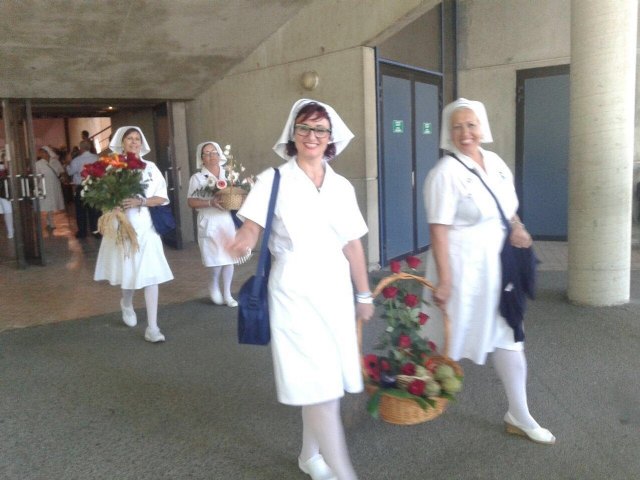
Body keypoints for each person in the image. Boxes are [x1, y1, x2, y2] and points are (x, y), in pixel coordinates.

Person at [227, 99, 374, 480]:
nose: (312, 136)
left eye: (320, 130)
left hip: (335, 292)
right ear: (293, 135)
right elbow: (252, 226)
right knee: (320, 387)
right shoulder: (273, 179)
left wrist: (363, 294)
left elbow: (353, 244)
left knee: (327, 383)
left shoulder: (341, 186)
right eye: (304, 128)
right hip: (293, 292)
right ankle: (346, 474)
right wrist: (243, 236)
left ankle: (310, 456)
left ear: (331, 138)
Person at [421, 98, 555, 445]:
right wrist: (445, 280)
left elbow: (508, 207)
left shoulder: (494, 162)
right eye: (458, 126)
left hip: (499, 265)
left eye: (471, 125)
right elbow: (438, 229)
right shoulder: (444, 174)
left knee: (510, 334)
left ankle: (519, 414)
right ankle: (414, 395)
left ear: (482, 127)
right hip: (462, 269)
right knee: (448, 335)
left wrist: (517, 225)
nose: (465, 132)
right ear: (449, 133)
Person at [93, 126, 174, 343]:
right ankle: (126, 303)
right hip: (122, 225)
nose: (134, 142)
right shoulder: (112, 168)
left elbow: (162, 198)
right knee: (128, 272)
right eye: (130, 138)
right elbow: (101, 196)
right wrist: (112, 205)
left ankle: (153, 327)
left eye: (137, 138)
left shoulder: (151, 167)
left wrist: (141, 201)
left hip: (146, 226)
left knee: (151, 274)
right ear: (122, 141)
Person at [187, 141, 239, 307]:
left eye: (213, 152)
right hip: (209, 221)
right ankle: (214, 283)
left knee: (229, 258)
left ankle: (228, 293)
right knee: (216, 260)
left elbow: (238, 193)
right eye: (206, 153)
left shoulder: (229, 173)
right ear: (201, 158)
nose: (210, 156)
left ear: (219, 154)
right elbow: (191, 202)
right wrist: (210, 202)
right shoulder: (197, 178)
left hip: (226, 220)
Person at [66, 140, 100, 239]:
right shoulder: (97, 158)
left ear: (81, 148)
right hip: (94, 186)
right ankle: (96, 231)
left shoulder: (76, 160)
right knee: (94, 210)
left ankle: (82, 232)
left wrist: (68, 164)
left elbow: (70, 173)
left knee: (81, 211)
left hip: (81, 187)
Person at [35, 146, 66, 231]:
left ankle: (50, 221)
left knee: (53, 202)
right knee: (48, 203)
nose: (40, 154)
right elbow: (36, 176)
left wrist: (63, 177)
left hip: (54, 184)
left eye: (42, 152)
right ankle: (50, 221)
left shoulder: (55, 162)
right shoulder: (38, 164)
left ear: (46, 152)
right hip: (44, 185)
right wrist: (36, 187)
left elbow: (61, 171)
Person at [0, 148, 14, 239]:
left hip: (4, 190)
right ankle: (10, 231)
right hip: (3, 190)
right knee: (7, 210)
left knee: (7, 210)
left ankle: (10, 231)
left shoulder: (5, 166)